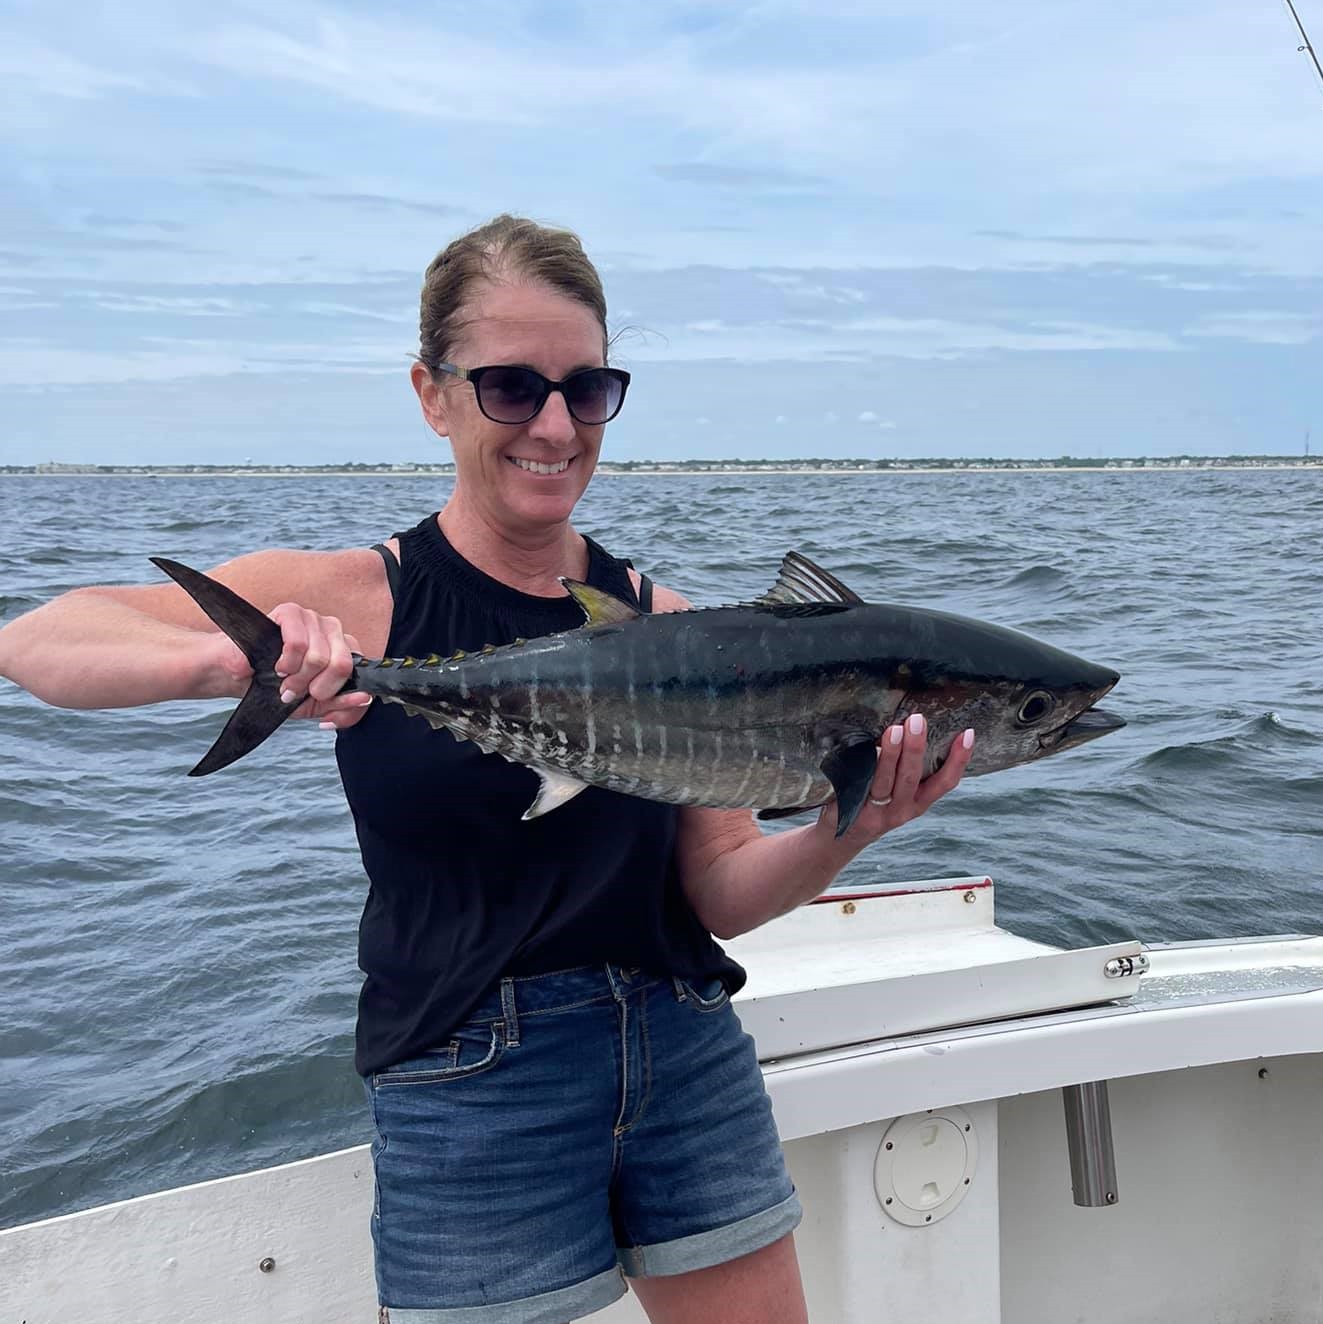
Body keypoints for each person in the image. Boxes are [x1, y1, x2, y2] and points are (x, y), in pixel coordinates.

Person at [0, 214, 974, 1324]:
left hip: (684, 1052)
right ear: (433, 393)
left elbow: (721, 894)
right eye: (511, 387)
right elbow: (40, 638)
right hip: (469, 1080)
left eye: (587, 388)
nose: (555, 424)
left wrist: (852, 825)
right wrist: (228, 660)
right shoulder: (366, 597)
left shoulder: (668, 623)